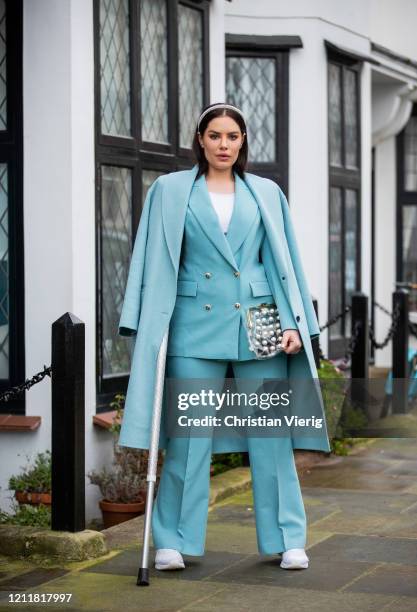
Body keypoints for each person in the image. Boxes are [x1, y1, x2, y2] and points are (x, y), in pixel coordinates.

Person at [117, 102, 331, 573]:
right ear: (200, 139)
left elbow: (283, 262)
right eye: (215, 136)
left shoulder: (267, 193)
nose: (223, 145)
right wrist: (147, 321)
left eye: (232, 136)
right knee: (188, 436)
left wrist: (295, 323)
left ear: (243, 141)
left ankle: (288, 539)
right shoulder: (170, 191)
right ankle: (172, 541)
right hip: (193, 326)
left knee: (271, 436)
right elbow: (149, 259)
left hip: (261, 325)